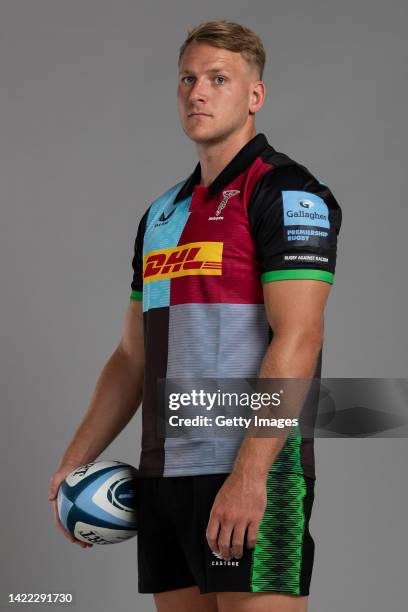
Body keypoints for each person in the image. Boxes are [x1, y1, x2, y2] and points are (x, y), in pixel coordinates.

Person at [49, 20, 342, 612]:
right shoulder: (162, 213)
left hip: (252, 470)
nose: (198, 93)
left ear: (254, 96)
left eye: (218, 78)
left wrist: (251, 475)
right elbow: (132, 356)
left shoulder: (286, 192)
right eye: (188, 78)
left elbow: (300, 336)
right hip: (162, 479)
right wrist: (73, 466)